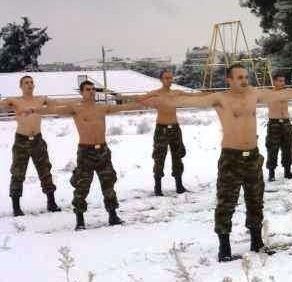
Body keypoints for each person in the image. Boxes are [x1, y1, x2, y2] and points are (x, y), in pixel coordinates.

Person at [186, 65, 292, 261]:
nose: (244, 80)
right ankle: (225, 249)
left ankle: (257, 243)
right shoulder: (220, 98)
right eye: (239, 77)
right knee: (226, 203)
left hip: (253, 157)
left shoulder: (253, 95)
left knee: (255, 201)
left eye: (246, 77)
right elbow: (185, 100)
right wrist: (147, 100)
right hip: (231, 157)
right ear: (228, 80)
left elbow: (281, 94)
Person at [49, 81, 152, 231]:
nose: (91, 92)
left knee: (108, 183)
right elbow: (54, 110)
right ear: (81, 92)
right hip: (85, 152)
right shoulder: (75, 108)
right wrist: (32, 109)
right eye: (88, 89)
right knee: (82, 187)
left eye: (93, 89)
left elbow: (122, 107)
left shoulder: (101, 107)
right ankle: (80, 219)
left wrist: (142, 104)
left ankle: (113, 215)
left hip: (102, 151)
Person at [2, 76, 61, 216]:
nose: (29, 84)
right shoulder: (14, 100)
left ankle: (51, 202)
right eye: (26, 83)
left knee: (45, 170)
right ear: (21, 86)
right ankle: (16, 207)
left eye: (31, 82)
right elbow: (2, 105)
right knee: (18, 173)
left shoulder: (40, 99)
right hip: (22, 140)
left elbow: (58, 103)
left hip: (38, 140)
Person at [129, 70, 192, 196]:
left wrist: (210, 95)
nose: (169, 80)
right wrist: (124, 97)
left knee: (178, 156)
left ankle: (179, 185)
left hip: (175, 128)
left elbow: (194, 96)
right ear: (161, 79)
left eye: (171, 78)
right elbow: (139, 99)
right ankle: (157, 187)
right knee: (159, 158)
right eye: (166, 78)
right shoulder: (155, 94)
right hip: (161, 129)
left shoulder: (176, 93)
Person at [265, 73, 292, 181]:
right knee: (272, 149)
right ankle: (271, 173)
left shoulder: (287, 92)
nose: (282, 83)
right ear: (274, 82)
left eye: (283, 81)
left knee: (287, 148)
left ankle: (288, 171)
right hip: (274, 123)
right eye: (280, 81)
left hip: (286, 123)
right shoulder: (269, 93)